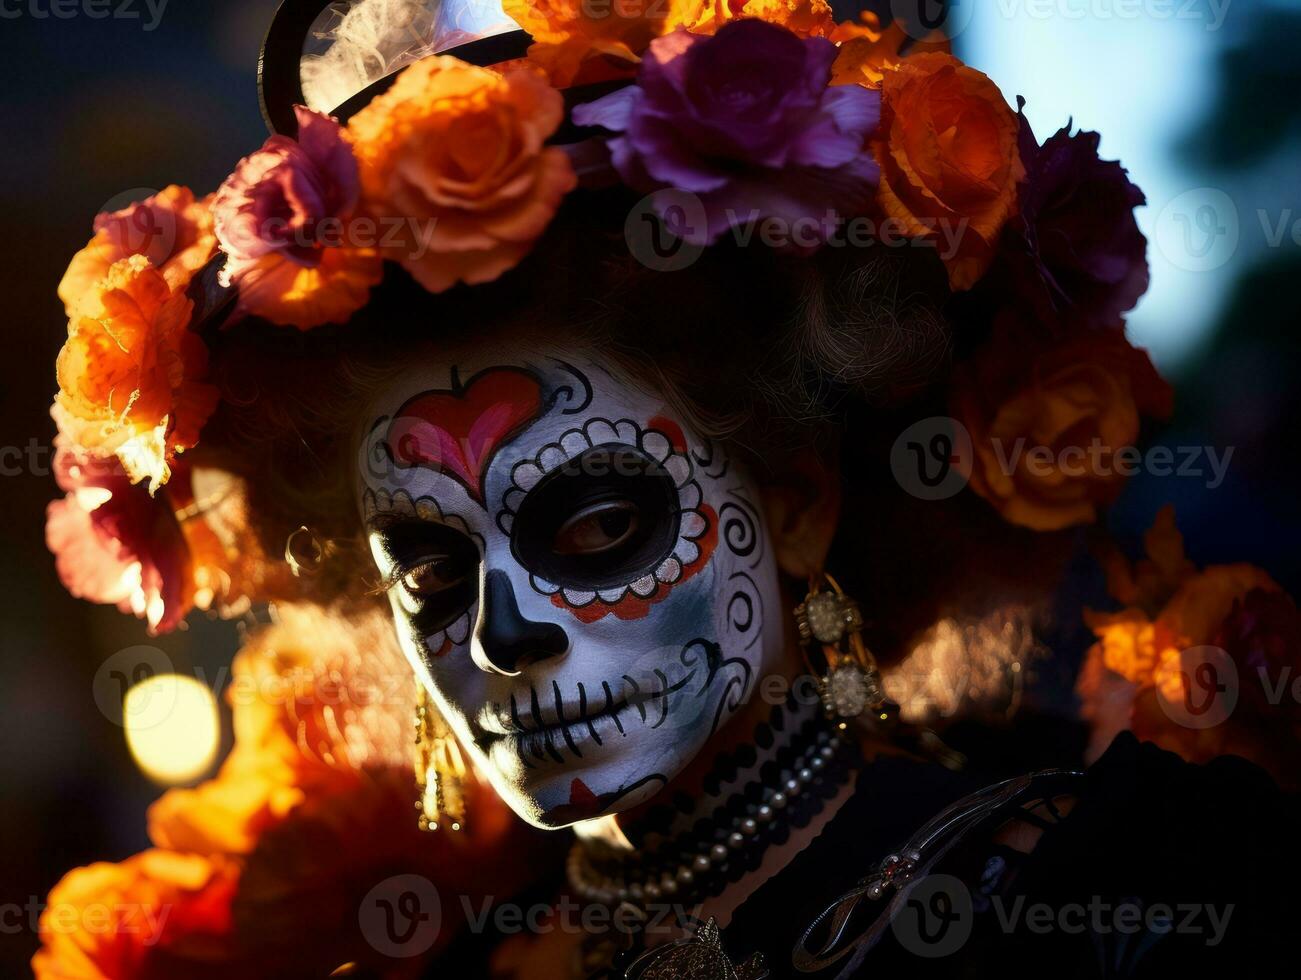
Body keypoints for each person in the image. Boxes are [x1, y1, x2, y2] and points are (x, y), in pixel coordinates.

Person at [42, 2, 1297, 977]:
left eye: (595, 522)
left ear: (796, 505)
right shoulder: (458, 959)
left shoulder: (1077, 891)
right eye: (428, 567)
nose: (501, 634)